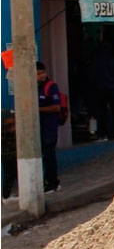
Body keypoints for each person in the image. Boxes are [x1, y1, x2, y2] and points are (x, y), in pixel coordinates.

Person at [88, 35, 114, 141]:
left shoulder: (97, 61)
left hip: (101, 89)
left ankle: (102, 135)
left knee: (102, 112)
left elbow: (92, 76)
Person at [36, 61, 61, 192]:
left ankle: (53, 182)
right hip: (38, 127)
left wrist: (38, 109)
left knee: (48, 155)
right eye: (38, 73)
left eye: (43, 73)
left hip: (49, 126)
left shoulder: (50, 87)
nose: (42, 76)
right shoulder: (32, 87)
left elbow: (57, 107)